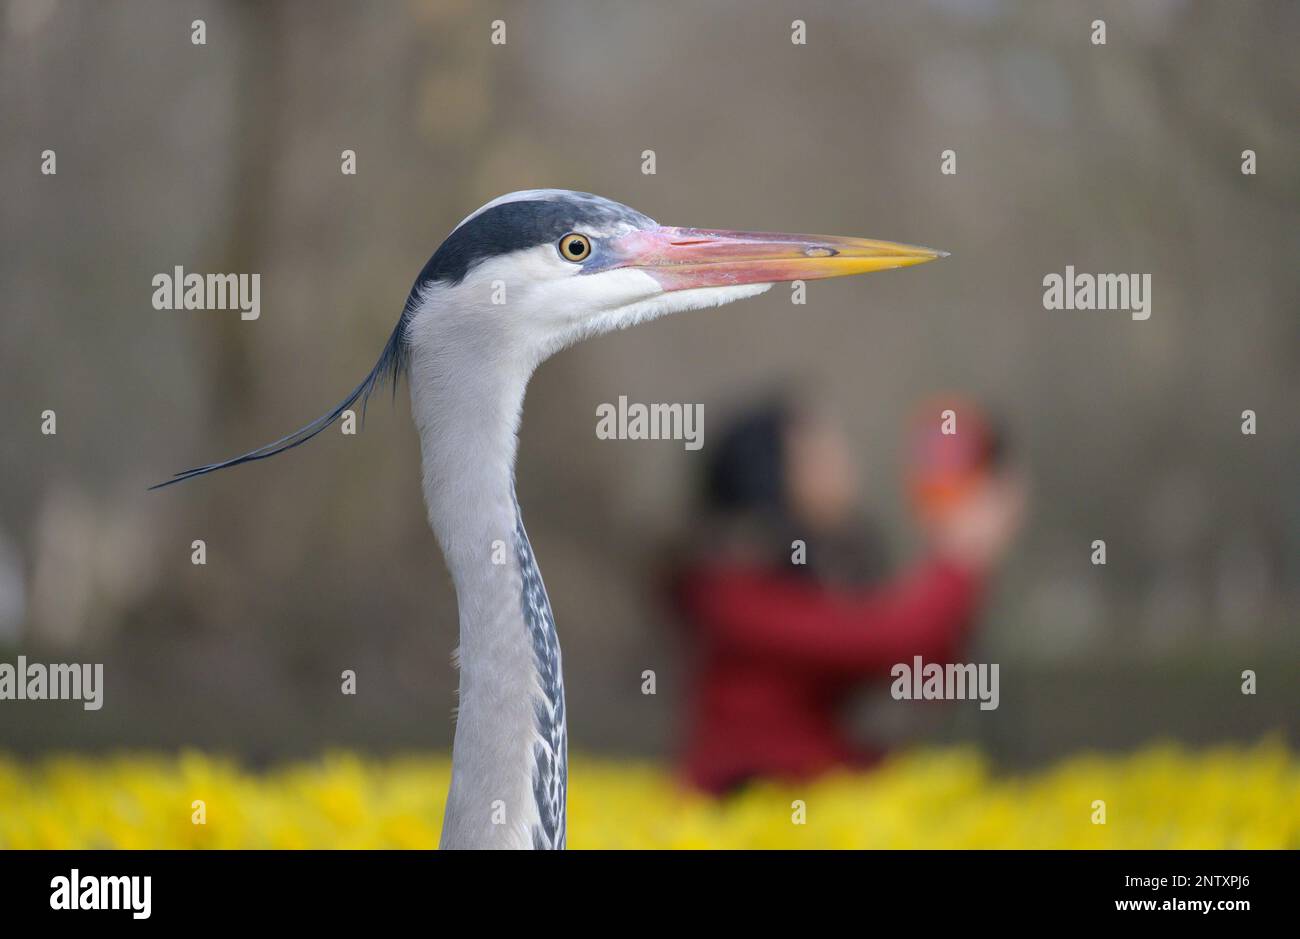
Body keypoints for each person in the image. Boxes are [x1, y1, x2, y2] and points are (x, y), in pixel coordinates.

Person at [670, 393, 1024, 795]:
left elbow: (925, 665)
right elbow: (897, 640)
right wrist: (960, 553)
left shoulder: (798, 578)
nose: (841, 460)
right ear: (772, 475)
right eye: (819, 453)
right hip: (748, 811)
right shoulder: (730, 593)